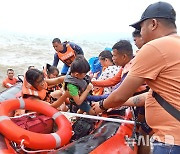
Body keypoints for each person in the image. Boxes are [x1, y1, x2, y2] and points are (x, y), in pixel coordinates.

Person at [93, 2, 180, 154]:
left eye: (141, 28)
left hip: (170, 140)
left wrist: (101, 106)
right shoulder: (175, 45)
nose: (141, 34)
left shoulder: (155, 47)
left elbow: (120, 94)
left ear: (153, 24)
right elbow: (158, 94)